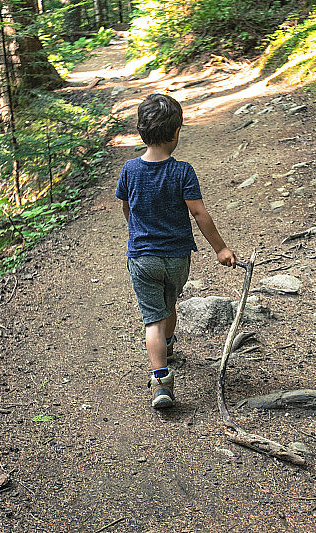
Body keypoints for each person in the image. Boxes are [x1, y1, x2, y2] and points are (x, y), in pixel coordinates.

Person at [116, 93, 237, 409]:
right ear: (175, 133)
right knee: (169, 302)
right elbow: (199, 214)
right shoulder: (183, 171)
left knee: (152, 318)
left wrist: (138, 231)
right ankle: (167, 346)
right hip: (177, 258)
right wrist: (220, 248)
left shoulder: (129, 170)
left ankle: (161, 382)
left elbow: (128, 209)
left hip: (142, 258)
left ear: (142, 131)